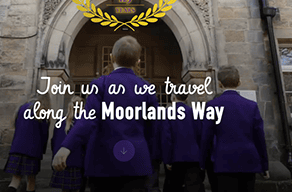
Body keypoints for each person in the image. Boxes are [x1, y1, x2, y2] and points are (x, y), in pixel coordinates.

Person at [52, 36, 159, 192]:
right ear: (138, 61)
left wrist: (66, 147)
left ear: (112, 58)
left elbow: (88, 120)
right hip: (136, 161)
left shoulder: (100, 84)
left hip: (102, 163)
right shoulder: (147, 88)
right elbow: (153, 130)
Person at [200, 66, 269, 192]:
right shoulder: (251, 106)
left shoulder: (212, 105)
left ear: (219, 84)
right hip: (248, 160)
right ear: (239, 82)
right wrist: (264, 165)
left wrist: (202, 163)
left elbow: (206, 137)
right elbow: (259, 137)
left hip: (223, 160)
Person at [5, 97, 51, 192]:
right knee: (31, 181)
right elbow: (44, 134)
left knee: (15, 180)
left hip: (17, 149)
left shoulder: (21, 109)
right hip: (33, 152)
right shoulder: (42, 111)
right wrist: (42, 151)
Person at [162, 91, 205, 192]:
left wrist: (167, 160)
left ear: (173, 96)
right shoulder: (195, 112)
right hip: (194, 156)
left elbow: (166, 138)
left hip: (175, 157)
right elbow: (201, 135)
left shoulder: (167, 112)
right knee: (193, 187)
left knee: (174, 187)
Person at [50, 96, 87, 192]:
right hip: (78, 163)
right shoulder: (83, 122)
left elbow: (54, 142)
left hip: (62, 162)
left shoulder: (60, 121)